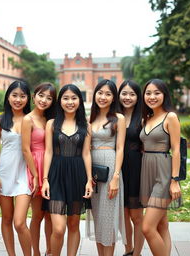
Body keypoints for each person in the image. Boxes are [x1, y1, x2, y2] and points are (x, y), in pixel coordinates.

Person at [41, 84, 93, 256]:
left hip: (78, 175)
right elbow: (48, 152)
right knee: (58, 228)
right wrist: (45, 180)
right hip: (56, 175)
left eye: (74, 98)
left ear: (80, 100)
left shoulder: (86, 125)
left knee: (73, 224)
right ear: (60, 101)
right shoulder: (51, 124)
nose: (70, 102)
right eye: (65, 98)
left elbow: (86, 154)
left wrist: (89, 180)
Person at [0, 80, 38, 256]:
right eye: (14, 95)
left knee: (19, 222)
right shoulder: (0, 120)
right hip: (4, 172)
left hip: (25, 173)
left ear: (28, 98)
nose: (18, 99)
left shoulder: (32, 119)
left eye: (22, 96)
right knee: (7, 219)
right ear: (8, 97)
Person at [140, 79, 182, 256]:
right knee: (162, 225)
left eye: (156, 93)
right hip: (147, 173)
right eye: (148, 93)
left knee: (147, 228)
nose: (152, 97)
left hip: (163, 176)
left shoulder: (170, 117)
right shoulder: (147, 118)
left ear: (164, 95)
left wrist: (175, 181)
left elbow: (177, 149)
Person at [86, 79, 126, 256]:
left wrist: (116, 176)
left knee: (108, 220)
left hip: (110, 170)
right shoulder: (90, 118)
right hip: (93, 172)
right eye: (100, 93)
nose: (103, 97)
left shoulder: (118, 118)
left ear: (113, 98)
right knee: (98, 219)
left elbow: (120, 148)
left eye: (108, 94)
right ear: (95, 94)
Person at [22, 82, 57, 256]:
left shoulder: (50, 118)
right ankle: (35, 252)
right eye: (41, 95)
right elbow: (26, 149)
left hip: (52, 166)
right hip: (36, 166)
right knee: (38, 215)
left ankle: (50, 251)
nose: (44, 100)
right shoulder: (28, 119)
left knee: (51, 214)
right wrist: (36, 175)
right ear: (34, 95)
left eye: (49, 98)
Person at [118, 80, 144, 256]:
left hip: (136, 169)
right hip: (118, 169)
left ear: (137, 97)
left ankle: (137, 253)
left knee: (136, 215)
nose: (127, 97)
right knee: (123, 214)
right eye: (124, 93)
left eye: (132, 94)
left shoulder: (143, 117)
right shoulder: (113, 116)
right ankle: (128, 251)